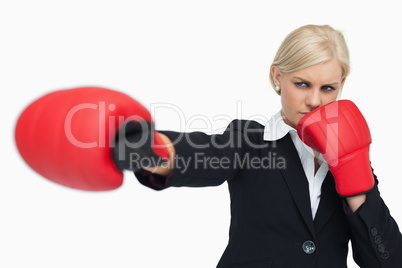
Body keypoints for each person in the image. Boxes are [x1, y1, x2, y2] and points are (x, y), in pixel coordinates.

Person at [15, 25, 402, 267]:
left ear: (342, 87)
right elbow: (203, 153)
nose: (315, 101)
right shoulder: (250, 141)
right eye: (303, 84)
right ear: (277, 78)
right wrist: (141, 148)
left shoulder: (352, 159)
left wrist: (357, 188)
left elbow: (387, 260)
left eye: (328, 88)